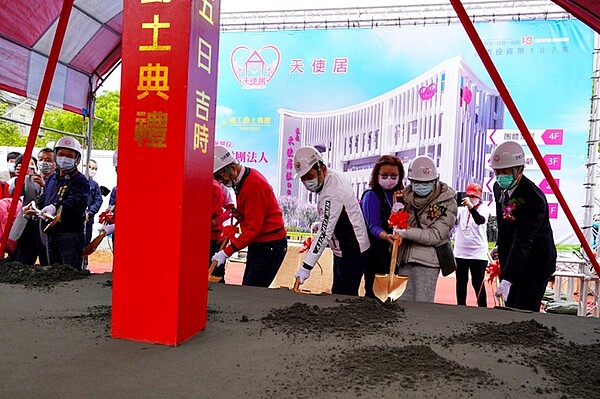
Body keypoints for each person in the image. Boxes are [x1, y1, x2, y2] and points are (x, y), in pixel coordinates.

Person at [292, 146, 370, 296]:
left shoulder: (332, 191)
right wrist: (321, 223)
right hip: (344, 246)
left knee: (344, 297)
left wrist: (306, 267)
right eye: (303, 178)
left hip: (352, 249)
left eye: (310, 176)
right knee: (338, 292)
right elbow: (332, 217)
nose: (307, 182)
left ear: (321, 167)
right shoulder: (331, 177)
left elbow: (324, 233)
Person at [490, 141, 556, 311]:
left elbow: (524, 240)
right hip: (515, 256)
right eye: (497, 172)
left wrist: (507, 279)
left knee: (523, 309)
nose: (500, 177)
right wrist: (500, 245)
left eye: (505, 172)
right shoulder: (498, 188)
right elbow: (503, 221)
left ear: (520, 170)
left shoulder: (533, 198)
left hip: (536, 262)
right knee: (509, 305)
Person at [211, 145, 287, 287]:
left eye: (221, 176)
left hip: (270, 245)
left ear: (232, 167)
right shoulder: (243, 180)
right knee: (248, 288)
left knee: (252, 291)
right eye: (217, 178)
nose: (221, 181)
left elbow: (253, 230)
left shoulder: (253, 185)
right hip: (260, 244)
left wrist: (226, 252)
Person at [394, 155, 457, 302]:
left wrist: (406, 232)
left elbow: (436, 235)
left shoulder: (447, 201)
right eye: (416, 182)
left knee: (422, 305)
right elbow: (399, 224)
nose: (420, 186)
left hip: (428, 262)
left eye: (426, 182)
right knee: (402, 305)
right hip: (405, 259)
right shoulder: (405, 198)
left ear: (435, 180)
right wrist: (396, 214)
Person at [39, 137, 89, 270]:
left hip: (70, 235)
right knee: (53, 272)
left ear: (77, 159)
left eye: (69, 156)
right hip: (51, 233)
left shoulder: (80, 181)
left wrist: (54, 207)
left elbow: (74, 200)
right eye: (61, 154)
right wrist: (33, 208)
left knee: (70, 274)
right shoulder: (52, 178)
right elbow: (45, 197)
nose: (64, 158)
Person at [360, 155, 405, 298]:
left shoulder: (402, 195)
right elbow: (373, 226)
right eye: (384, 175)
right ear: (377, 175)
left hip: (397, 253)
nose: (389, 179)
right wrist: (386, 236)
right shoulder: (371, 195)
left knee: (393, 296)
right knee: (374, 294)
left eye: (393, 175)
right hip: (375, 252)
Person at [454, 183, 490, 307]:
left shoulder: (484, 209)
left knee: (478, 282)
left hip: (478, 253)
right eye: (469, 196)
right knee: (461, 282)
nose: (471, 199)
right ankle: (460, 307)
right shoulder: (460, 209)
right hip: (460, 252)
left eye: (474, 196)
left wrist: (471, 208)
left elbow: (480, 220)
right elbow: (451, 222)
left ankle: (482, 308)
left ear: (479, 197)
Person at [8, 155, 43, 264]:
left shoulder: (53, 178)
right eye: (27, 165)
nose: (30, 167)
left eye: (32, 164)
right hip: (26, 222)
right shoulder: (22, 179)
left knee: (46, 260)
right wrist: (20, 178)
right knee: (23, 259)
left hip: (44, 225)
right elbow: (13, 192)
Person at [83, 159, 103, 269]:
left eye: (95, 169)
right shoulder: (76, 181)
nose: (92, 170)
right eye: (90, 167)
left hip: (88, 220)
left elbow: (98, 201)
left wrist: (90, 212)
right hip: (75, 219)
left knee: (86, 242)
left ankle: (84, 264)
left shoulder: (94, 185)